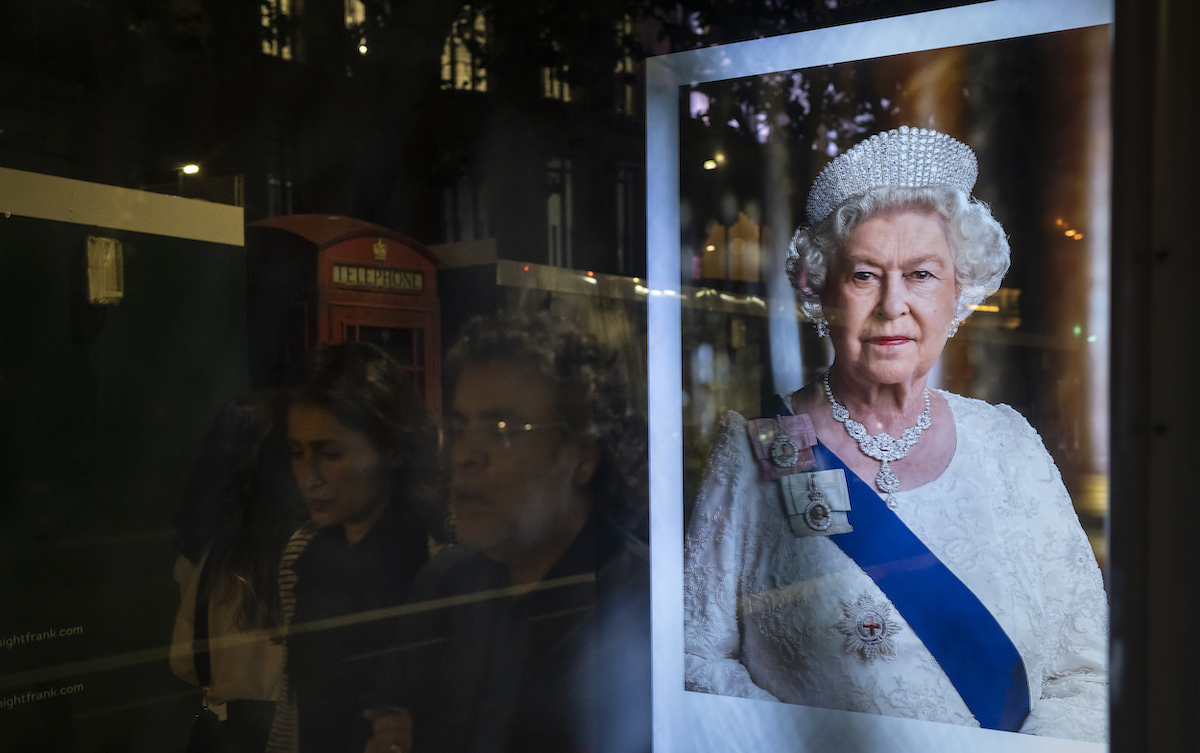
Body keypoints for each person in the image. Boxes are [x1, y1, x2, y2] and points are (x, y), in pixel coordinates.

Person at [683, 126, 1108, 742]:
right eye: (864, 275)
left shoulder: (1010, 445)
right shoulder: (760, 450)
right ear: (822, 290)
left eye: (921, 275)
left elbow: (1086, 670)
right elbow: (695, 660)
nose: (892, 306)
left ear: (958, 292)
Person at [364, 311, 651, 753]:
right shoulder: (443, 586)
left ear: (582, 457)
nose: (465, 455)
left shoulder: (649, 608)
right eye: (459, 429)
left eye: (503, 430)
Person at [265, 343, 447, 753]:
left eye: (330, 454)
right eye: (297, 454)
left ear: (392, 450)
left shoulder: (436, 560)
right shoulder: (302, 553)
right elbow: (291, 705)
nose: (308, 478)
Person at [170, 392, 303, 753]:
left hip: (231, 730)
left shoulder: (210, 555)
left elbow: (185, 660)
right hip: (297, 727)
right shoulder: (307, 550)